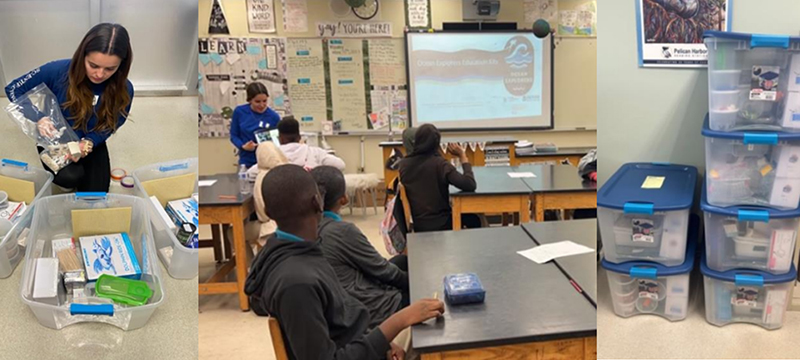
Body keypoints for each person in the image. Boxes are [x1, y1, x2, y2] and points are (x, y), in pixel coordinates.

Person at [245, 164, 444, 360]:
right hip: (360, 349)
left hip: (362, 342)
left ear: (268, 212)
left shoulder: (295, 250)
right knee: (438, 341)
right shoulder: (296, 283)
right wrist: (400, 320)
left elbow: (345, 319)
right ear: (317, 202)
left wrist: (383, 341)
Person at [4, 23, 134, 192]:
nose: (100, 74)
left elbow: (113, 122)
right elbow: (14, 89)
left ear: (121, 65)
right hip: (56, 137)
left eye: (110, 69)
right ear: (82, 56)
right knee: (70, 178)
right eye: (93, 65)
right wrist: (38, 118)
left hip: (90, 138)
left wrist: (90, 142)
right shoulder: (58, 70)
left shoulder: (125, 88)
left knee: (97, 193)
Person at [311, 166, 409, 328]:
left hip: (343, 299)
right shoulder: (342, 231)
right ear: (344, 199)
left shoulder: (307, 228)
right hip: (373, 310)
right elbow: (381, 270)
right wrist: (415, 282)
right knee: (422, 290)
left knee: (401, 261)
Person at [398, 124, 481, 232]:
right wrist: (463, 156)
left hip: (418, 224)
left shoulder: (404, 164)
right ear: (437, 143)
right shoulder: (441, 164)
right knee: (474, 219)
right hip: (442, 223)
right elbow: (469, 184)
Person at [230, 82, 281, 168]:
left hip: (268, 161)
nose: (262, 105)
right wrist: (243, 146)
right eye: (257, 101)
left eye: (264, 101)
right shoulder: (239, 112)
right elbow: (234, 135)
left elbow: (279, 140)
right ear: (250, 100)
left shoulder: (274, 117)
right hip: (247, 160)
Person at [277, 116, 345, 171]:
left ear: (280, 139)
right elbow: (341, 165)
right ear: (299, 137)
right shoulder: (315, 152)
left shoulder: (272, 156)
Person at [252, 142, 288, 242]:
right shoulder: (289, 172)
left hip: (273, 227)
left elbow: (263, 215)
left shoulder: (262, 178)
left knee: (232, 232)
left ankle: (251, 258)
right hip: (294, 225)